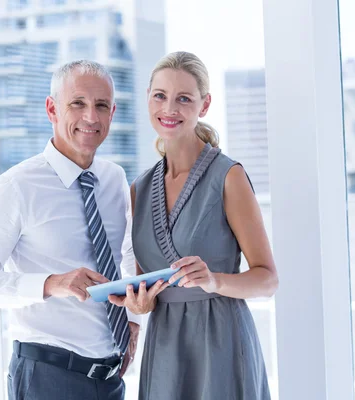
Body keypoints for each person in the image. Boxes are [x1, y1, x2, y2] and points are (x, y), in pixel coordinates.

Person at [0, 60, 141, 400]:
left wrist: (131, 318)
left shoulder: (114, 179)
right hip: (48, 377)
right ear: (52, 108)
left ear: (112, 112)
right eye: (78, 103)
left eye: (101, 106)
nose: (91, 117)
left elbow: (125, 254)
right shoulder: (16, 186)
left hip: (111, 378)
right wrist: (51, 283)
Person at [109, 51, 279, 400]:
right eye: (160, 96)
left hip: (221, 342)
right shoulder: (138, 190)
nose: (169, 108)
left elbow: (268, 279)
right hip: (165, 348)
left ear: (204, 105)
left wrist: (214, 280)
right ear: (148, 99)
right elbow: (148, 288)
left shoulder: (228, 177)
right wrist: (138, 306)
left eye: (183, 98)